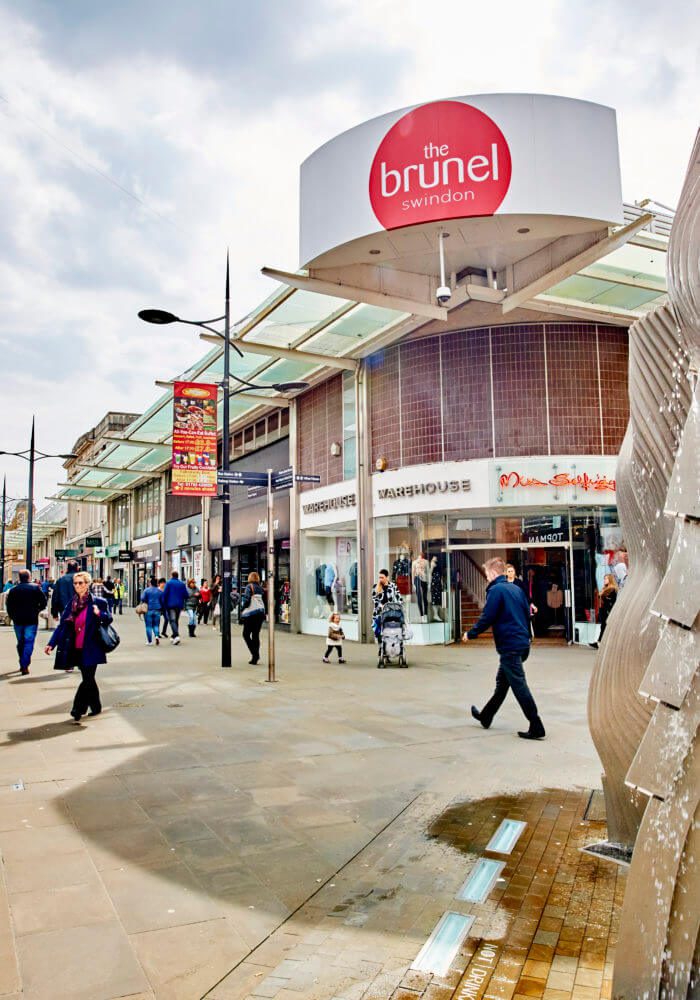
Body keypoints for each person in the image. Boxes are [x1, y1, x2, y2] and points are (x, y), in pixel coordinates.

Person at [464, 556, 546, 740]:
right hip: (521, 643)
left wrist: (471, 634)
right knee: (502, 684)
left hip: (510, 646)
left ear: (493, 572)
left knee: (519, 686)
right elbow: (527, 614)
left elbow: (487, 617)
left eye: (486, 574)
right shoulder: (516, 588)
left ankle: (536, 724)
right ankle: (486, 716)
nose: (486, 578)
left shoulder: (496, 590)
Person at [44, 571, 113, 722]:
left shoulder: (99, 602)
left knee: (88, 678)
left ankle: (78, 708)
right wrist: (51, 643)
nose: (77, 586)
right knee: (88, 678)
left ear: (88, 584)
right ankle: (96, 706)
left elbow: (108, 619)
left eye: (80, 583)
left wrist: (99, 614)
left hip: (93, 646)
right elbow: (62, 626)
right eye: (75, 583)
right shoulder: (71, 603)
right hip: (76, 646)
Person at [6, 569, 47, 675]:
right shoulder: (35, 588)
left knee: (21, 642)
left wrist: (12, 616)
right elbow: (43, 602)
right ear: (29, 577)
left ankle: (23, 662)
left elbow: (9, 605)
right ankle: (24, 664)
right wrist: (37, 610)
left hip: (18, 620)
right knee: (29, 642)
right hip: (31, 619)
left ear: (19, 578)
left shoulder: (13, 590)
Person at [240, 571, 266, 664]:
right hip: (260, 613)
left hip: (251, 614)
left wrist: (242, 609)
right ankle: (255, 656)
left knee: (246, 634)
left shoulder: (249, 587)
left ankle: (255, 654)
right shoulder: (261, 588)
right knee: (256, 635)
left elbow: (247, 600)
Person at [371, 569, 400, 642]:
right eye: (379, 577)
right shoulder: (375, 587)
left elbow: (399, 598)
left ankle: (388, 646)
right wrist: (381, 605)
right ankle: (381, 646)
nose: (380, 579)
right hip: (379, 613)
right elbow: (374, 599)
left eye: (382, 577)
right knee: (378, 632)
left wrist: (397, 606)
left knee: (389, 631)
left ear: (387, 577)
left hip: (391, 612)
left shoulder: (393, 586)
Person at [590, 574, 618, 649]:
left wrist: (602, 595)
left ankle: (600, 642)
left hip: (607, 610)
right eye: (604, 579)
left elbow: (612, 601)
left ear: (610, 580)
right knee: (603, 626)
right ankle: (600, 642)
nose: (604, 580)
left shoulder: (611, 589)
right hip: (603, 609)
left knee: (604, 626)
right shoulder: (606, 588)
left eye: (606, 579)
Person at [162, 570, 188, 645]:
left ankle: (176, 635)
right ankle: (173, 636)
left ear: (171, 575)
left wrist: (163, 604)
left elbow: (165, 594)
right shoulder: (182, 584)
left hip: (170, 605)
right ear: (178, 576)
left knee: (172, 620)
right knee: (176, 620)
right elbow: (186, 595)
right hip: (179, 605)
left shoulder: (169, 583)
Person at [140, 576, 163, 645]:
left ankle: (149, 641)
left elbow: (143, 598)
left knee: (148, 626)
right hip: (157, 609)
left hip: (148, 609)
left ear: (150, 583)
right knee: (156, 625)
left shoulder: (146, 590)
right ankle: (156, 636)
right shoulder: (159, 591)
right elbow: (162, 600)